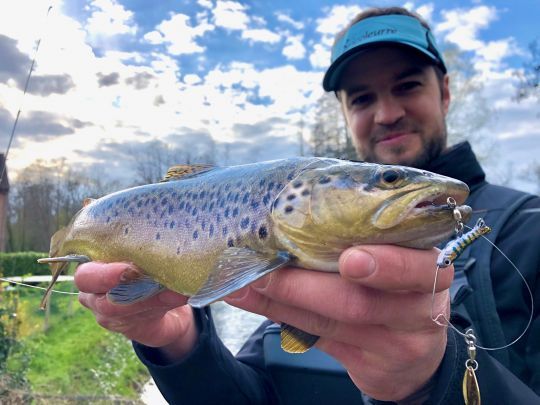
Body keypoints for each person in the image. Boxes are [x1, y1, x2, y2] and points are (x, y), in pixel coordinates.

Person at [74, 6, 540, 404]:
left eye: (407, 86)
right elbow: (250, 395)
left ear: (444, 92)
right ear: (345, 113)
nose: (387, 113)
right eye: (362, 98)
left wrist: (434, 378)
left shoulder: (529, 233)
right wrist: (179, 344)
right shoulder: (303, 249)